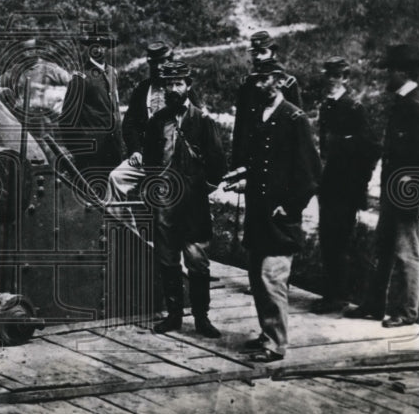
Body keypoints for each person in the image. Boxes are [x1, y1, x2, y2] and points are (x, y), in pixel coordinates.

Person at [229, 59, 321, 362]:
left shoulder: (295, 119)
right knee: (257, 276)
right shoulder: (258, 115)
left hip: (280, 219)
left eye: (264, 79)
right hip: (259, 213)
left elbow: (310, 174)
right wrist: (243, 180)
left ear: (280, 82)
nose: (257, 85)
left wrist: (290, 206)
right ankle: (266, 333)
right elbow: (259, 165)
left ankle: (276, 343)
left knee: (272, 278)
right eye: (255, 80)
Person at [345, 44, 419, 327]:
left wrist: (412, 178)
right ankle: (374, 305)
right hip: (393, 190)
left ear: (402, 72)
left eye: (390, 71)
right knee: (384, 248)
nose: (387, 76)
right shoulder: (405, 101)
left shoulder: (414, 104)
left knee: (406, 252)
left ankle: (407, 313)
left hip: (405, 192)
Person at [144, 61, 227, 336]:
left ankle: (202, 318)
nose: (173, 89)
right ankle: (174, 316)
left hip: (193, 205)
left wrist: (201, 190)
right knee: (167, 260)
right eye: (168, 84)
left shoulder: (203, 122)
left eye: (178, 83)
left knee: (197, 260)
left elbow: (217, 164)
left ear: (188, 86)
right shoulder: (157, 122)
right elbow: (150, 162)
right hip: (165, 202)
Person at [314, 57, 380, 313]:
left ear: (345, 78)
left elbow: (372, 147)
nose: (331, 80)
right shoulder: (327, 106)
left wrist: (358, 184)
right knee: (328, 239)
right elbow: (323, 147)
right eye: (328, 75)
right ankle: (330, 293)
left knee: (339, 241)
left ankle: (337, 296)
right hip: (329, 184)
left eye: (337, 75)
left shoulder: (353, 108)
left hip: (346, 187)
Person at [104, 42, 172, 234]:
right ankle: (128, 234)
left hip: (172, 160)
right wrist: (135, 150)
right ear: (150, 64)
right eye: (155, 63)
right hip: (145, 158)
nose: (159, 67)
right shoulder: (143, 89)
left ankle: (172, 249)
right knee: (116, 178)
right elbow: (130, 124)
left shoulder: (179, 88)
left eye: (164, 62)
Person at [231, 30, 302, 169]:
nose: (258, 58)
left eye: (263, 52)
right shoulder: (247, 84)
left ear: (273, 53)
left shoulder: (288, 83)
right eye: (255, 53)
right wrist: (237, 162)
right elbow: (240, 127)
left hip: (279, 155)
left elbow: (296, 127)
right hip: (252, 155)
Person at [58, 33, 124, 173]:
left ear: (107, 48)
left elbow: (115, 109)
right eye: (94, 46)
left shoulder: (112, 73)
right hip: (91, 153)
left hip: (113, 148)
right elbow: (67, 119)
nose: (98, 50)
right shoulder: (81, 77)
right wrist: (76, 149)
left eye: (102, 46)